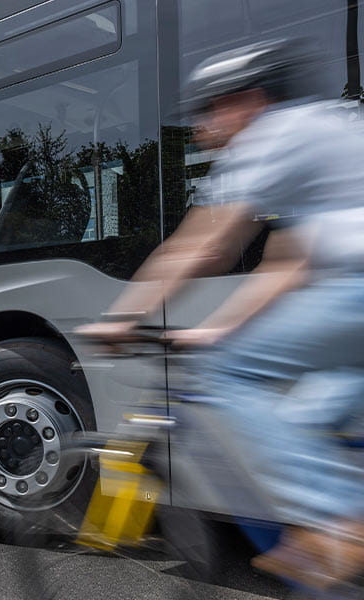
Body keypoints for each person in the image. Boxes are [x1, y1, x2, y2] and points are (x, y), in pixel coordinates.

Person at [78, 39, 364, 590]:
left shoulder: (271, 135)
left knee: (228, 372)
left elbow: (200, 248)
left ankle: (335, 525)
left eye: (209, 110)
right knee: (305, 423)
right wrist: (218, 329)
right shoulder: (323, 132)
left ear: (248, 100)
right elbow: (287, 264)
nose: (203, 129)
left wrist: (120, 316)